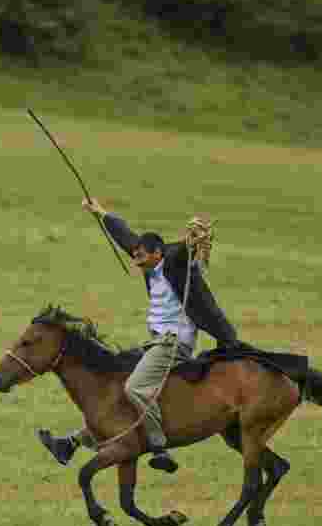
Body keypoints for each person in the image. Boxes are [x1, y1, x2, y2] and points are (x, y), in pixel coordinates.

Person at [37, 198, 240, 473]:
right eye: (136, 256)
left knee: (135, 388)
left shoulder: (175, 262)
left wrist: (193, 240)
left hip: (174, 342)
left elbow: (183, 250)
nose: (137, 261)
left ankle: (158, 447)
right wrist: (102, 214)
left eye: (142, 257)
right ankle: (71, 443)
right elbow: (126, 237)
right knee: (116, 384)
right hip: (155, 342)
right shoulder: (145, 259)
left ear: (158, 253)